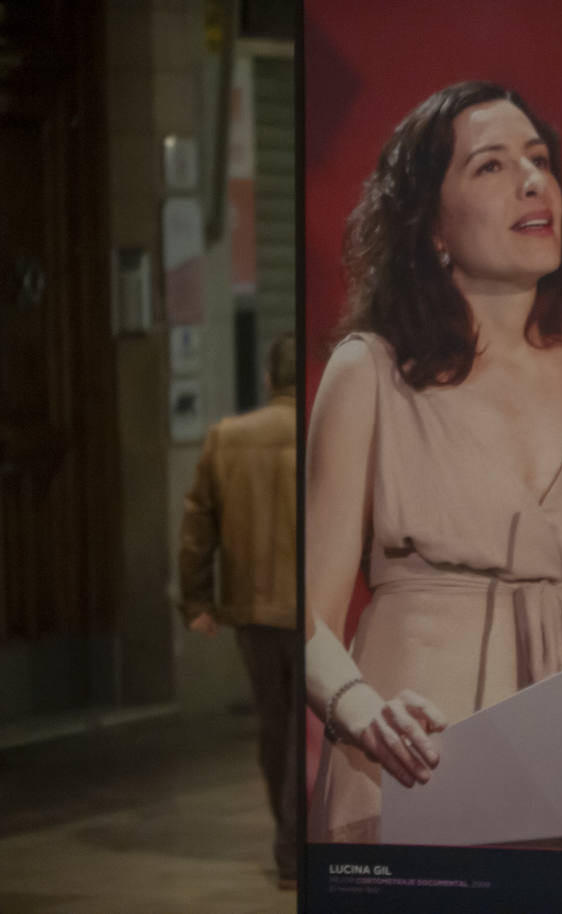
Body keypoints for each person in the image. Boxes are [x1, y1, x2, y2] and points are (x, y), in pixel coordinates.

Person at [305, 80, 562, 844]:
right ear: (430, 224)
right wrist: (366, 713)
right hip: (412, 764)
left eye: (539, 159)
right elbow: (306, 621)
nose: (533, 180)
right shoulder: (368, 371)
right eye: (491, 166)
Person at [178, 331, 299, 890]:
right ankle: (299, 848)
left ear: (269, 379)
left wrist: (197, 601)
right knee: (311, 727)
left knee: (273, 726)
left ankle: (289, 847)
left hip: (253, 611)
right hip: (318, 612)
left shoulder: (226, 439)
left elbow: (197, 525)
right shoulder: (328, 428)